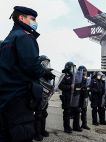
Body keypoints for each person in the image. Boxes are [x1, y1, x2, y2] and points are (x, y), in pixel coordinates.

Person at [0, 6, 55, 142]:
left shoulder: (10, 38)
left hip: (6, 95)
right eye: (32, 19)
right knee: (22, 132)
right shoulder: (25, 37)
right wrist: (45, 72)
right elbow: (31, 65)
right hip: (19, 96)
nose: (35, 22)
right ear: (21, 18)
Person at [34, 55, 54, 141]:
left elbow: (49, 86)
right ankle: (36, 133)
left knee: (44, 113)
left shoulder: (46, 73)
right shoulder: (37, 72)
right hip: (38, 96)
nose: (47, 65)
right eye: (45, 63)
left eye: (47, 63)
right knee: (38, 115)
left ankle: (42, 130)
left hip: (45, 98)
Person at [59, 62, 83, 133]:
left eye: (74, 68)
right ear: (68, 67)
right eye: (72, 67)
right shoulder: (64, 75)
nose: (73, 69)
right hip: (67, 97)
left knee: (77, 111)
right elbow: (60, 86)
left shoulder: (75, 76)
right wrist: (70, 87)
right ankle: (67, 127)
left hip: (74, 97)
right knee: (67, 112)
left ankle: (76, 126)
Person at [77, 66, 90, 130]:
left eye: (85, 71)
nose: (85, 72)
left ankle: (84, 124)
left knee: (84, 111)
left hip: (85, 97)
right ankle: (77, 125)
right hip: (78, 97)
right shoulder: (77, 78)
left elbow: (87, 87)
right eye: (83, 71)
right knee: (77, 111)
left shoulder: (86, 79)